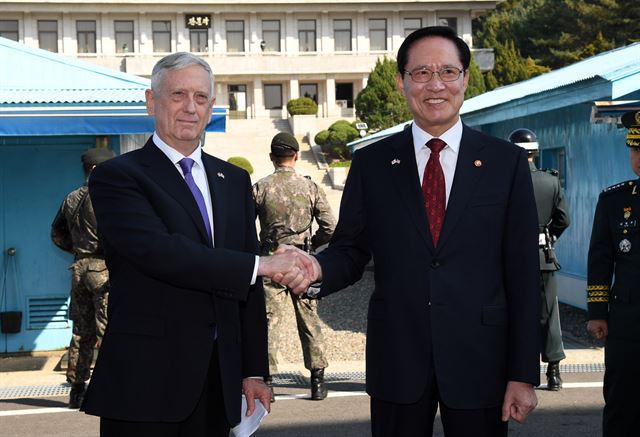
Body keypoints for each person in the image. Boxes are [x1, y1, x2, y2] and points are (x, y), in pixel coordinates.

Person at [278, 26, 540, 437]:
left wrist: (523, 372)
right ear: (401, 82)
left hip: (481, 360)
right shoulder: (373, 163)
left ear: (466, 79)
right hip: (398, 358)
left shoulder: (505, 164)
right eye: (421, 73)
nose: (435, 85)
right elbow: (350, 249)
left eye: (448, 72)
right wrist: (315, 269)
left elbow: (524, 274)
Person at [81, 52, 310, 437]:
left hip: (219, 383)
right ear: (152, 101)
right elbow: (160, 253)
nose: (190, 107)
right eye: (177, 95)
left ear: (212, 107)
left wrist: (254, 369)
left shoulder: (233, 180)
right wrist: (262, 265)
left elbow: (247, 288)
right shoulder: (118, 176)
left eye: (201, 98)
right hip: (146, 384)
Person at [253, 132, 337, 401]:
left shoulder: (261, 187)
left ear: (272, 157)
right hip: (303, 263)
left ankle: (267, 381)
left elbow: (242, 225)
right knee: (310, 321)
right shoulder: (310, 187)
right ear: (296, 156)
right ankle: (318, 381)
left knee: (269, 323)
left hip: (271, 263)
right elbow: (330, 227)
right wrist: (313, 248)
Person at [586, 110, 640, 436]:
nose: (639, 158)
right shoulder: (614, 200)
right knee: (622, 405)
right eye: (635, 150)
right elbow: (600, 259)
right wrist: (597, 313)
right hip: (627, 323)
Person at [51, 147, 115, 409]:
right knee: (110, 329)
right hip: (104, 271)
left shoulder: (71, 198)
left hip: (79, 270)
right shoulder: (108, 196)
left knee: (81, 331)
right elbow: (117, 236)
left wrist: (79, 251)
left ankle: (77, 391)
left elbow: (56, 234)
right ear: (98, 169)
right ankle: (114, 386)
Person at [509, 128, 571, 391]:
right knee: (548, 314)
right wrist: (549, 237)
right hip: (543, 256)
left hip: (512, 259)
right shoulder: (551, 181)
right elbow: (563, 219)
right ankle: (554, 373)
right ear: (535, 152)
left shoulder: (506, 182)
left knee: (515, 315)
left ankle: (521, 371)